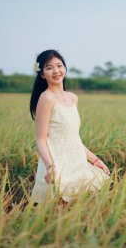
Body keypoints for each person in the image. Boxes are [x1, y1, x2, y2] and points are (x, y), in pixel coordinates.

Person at [29, 49, 110, 204]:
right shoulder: (46, 99)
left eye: (59, 65)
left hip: (77, 161)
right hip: (57, 163)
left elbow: (73, 138)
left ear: (65, 68)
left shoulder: (73, 98)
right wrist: (50, 167)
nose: (56, 71)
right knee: (57, 212)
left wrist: (95, 160)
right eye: (49, 67)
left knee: (81, 208)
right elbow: (41, 139)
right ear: (42, 74)